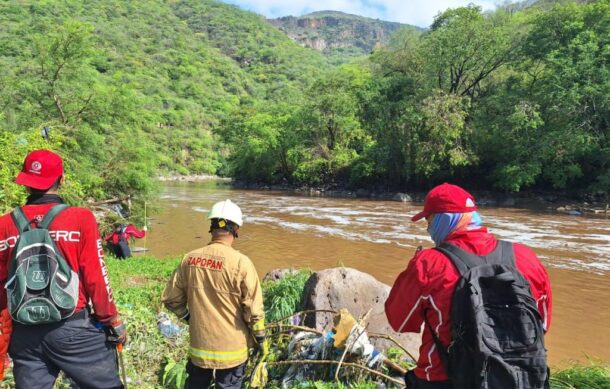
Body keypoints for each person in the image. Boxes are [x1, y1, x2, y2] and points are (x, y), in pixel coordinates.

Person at [385, 183, 552, 389]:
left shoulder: (428, 263)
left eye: (429, 220)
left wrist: (413, 270)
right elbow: (542, 324)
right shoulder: (526, 257)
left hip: (443, 380)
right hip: (519, 379)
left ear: (445, 219)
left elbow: (399, 322)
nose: (428, 229)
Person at [0, 150, 127, 388]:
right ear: (62, 179)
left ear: (25, 181)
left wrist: (8, 332)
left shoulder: (4, 224)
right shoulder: (80, 219)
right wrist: (111, 319)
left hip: (25, 335)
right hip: (73, 329)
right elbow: (96, 277)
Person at [162, 199, 267, 389]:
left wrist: (188, 317)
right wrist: (260, 339)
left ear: (212, 226)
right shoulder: (241, 263)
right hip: (233, 352)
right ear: (235, 228)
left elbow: (171, 299)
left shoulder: (189, 259)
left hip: (199, 348)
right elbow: (253, 312)